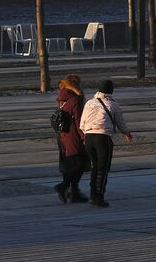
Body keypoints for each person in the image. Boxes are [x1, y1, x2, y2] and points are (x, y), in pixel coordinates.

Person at [78, 79, 133, 206]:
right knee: (103, 169)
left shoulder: (89, 103)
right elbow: (120, 122)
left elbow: (82, 124)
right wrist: (127, 133)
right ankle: (99, 197)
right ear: (111, 91)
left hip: (89, 138)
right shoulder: (113, 104)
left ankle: (92, 195)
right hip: (103, 138)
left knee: (95, 167)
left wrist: (86, 134)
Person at [54, 73, 89, 203]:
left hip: (63, 135)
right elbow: (79, 120)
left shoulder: (61, 96)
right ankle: (63, 187)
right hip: (73, 135)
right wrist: (84, 137)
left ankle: (73, 192)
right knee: (80, 163)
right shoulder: (75, 99)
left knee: (68, 163)